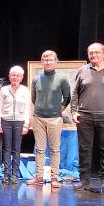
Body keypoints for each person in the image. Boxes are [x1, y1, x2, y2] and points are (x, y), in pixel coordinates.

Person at [71, 43, 104, 194]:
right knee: (84, 150)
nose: (94, 55)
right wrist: (74, 112)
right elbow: (75, 93)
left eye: (97, 52)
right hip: (84, 116)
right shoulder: (82, 70)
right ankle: (84, 182)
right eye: (91, 53)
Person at [26, 50, 71, 188]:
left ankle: (54, 178)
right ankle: (39, 176)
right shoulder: (36, 79)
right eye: (45, 60)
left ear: (56, 62)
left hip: (55, 119)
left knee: (55, 149)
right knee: (39, 149)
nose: (48, 62)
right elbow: (34, 98)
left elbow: (67, 97)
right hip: (38, 118)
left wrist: (58, 110)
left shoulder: (62, 78)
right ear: (42, 62)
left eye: (51, 60)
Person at [0, 65, 30, 184]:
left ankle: (15, 174)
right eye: (13, 75)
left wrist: (26, 125)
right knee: (7, 148)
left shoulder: (25, 90)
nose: (15, 77)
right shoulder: (4, 89)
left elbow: (27, 109)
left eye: (17, 75)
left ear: (21, 77)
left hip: (19, 121)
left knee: (16, 149)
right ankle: (6, 173)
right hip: (6, 121)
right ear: (9, 76)